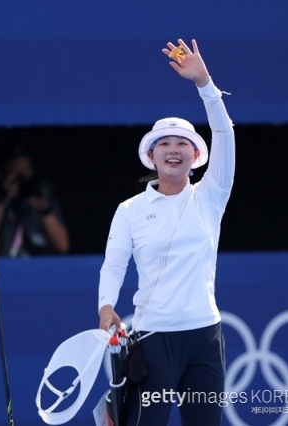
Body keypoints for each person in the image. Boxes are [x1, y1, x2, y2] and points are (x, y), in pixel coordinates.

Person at [97, 39, 234, 426]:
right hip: (152, 340)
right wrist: (106, 306)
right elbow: (114, 265)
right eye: (165, 145)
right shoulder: (130, 210)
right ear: (152, 156)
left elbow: (225, 133)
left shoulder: (212, 195)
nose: (174, 150)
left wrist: (205, 84)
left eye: (182, 144)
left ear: (196, 156)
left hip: (204, 340)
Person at [0, 147, 70, 257]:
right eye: (17, 169)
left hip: (39, 270)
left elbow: (62, 246)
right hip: (5, 270)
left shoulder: (43, 200)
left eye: (27, 169)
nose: (23, 175)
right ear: (1, 174)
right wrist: (1, 201)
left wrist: (45, 210)